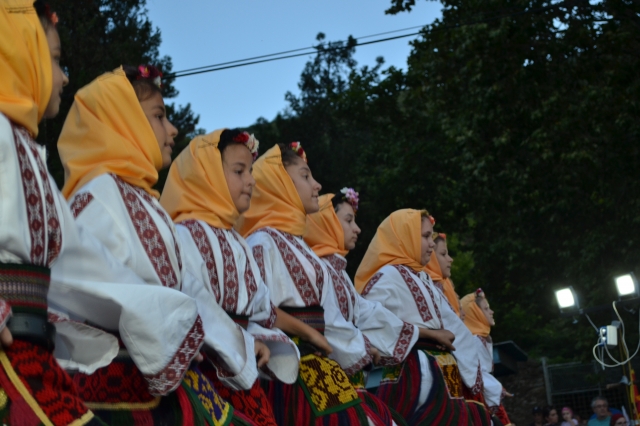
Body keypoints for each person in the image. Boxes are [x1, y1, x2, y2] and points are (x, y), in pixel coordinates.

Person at [57, 66, 254, 425]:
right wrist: (175, 329)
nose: (173, 129)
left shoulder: (147, 203)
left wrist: (235, 343)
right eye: (160, 116)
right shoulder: (98, 195)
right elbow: (95, 283)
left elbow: (187, 287)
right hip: (121, 380)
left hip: (162, 370)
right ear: (124, 120)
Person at [160, 129, 331, 425]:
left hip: (241, 371)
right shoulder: (182, 236)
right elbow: (193, 310)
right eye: (239, 171)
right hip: (201, 372)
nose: (251, 180)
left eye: (250, 171)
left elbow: (261, 310)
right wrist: (246, 341)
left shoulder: (237, 243)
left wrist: (306, 335)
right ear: (207, 174)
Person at [237, 142, 395, 425]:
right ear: (281, 182)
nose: (317, 185)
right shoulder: (262, 242)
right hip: (289, 369)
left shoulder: (301, 248)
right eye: (306, 175)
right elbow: (258, 311)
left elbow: (329, 317)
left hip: (319, 365)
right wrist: (309, 335)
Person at [354, 208, 491, 425]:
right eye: (426, 236)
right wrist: (426, 334)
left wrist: (472, 367)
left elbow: (455, 328)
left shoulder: (422, 278)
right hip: (414, 376)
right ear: (405, 236)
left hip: (441, 375)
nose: (432, 244)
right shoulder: (388, 276)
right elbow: (368, 319)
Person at [305, 190, 421, 423]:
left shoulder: (338, 272)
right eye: (348, 220)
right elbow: (331, 323)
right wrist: (366, 348)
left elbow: (366, 311)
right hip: (323, 380)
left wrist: (418, 331)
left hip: (349, 382)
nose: (357, 229)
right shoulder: (317, 269)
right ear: (326, 222)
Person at [461, 288, 514, 425]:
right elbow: (476, 372)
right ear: (476, 314)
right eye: (486, 309)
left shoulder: (480, 338)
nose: (492, 312)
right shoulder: (472, 340)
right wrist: (497, 388)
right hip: (475, 400)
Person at [425, 233, 462, 317]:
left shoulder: (443, 284)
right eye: (443, 254)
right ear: (431, 256)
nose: (450, 259)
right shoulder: (429, 287)